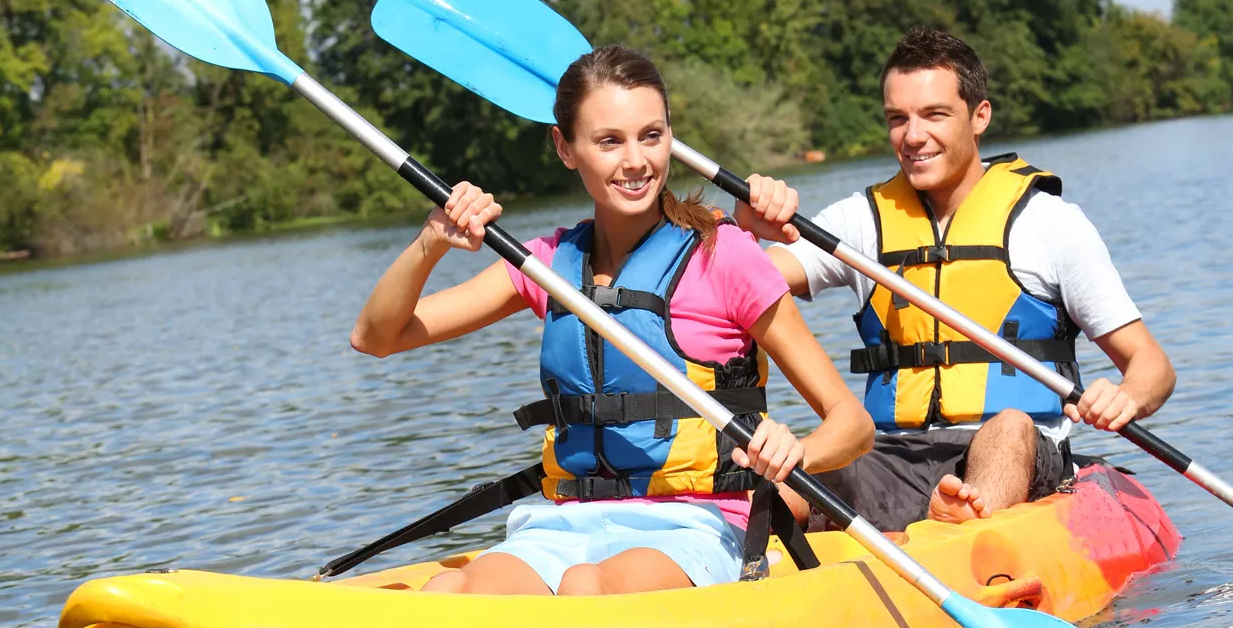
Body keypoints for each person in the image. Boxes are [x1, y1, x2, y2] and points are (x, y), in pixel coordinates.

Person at [350, 45, 874, 596]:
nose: (636, 161)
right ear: (565, 148)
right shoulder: (547, 264)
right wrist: (431, 242)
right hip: (562, 524)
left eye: (651, 136)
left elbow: (853, 425)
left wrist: (798, 452)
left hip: (695, 525)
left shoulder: (725, 256)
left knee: (585, 587)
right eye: (609, 141)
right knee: (445, 594)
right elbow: (377, 337)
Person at [736, 26, 1175, 533]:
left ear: (979, 116)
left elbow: (1152, 366)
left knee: (1008, 424)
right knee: (784, 482)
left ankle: (964, 527)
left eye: (934, 115)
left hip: (1016, 449)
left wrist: (1126, 396)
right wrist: (745, 226)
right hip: (890, 456)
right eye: (897, 119)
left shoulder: (1048, 222)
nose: (913, 136)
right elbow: (746, 283)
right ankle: (761, 564)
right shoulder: (860, 221)